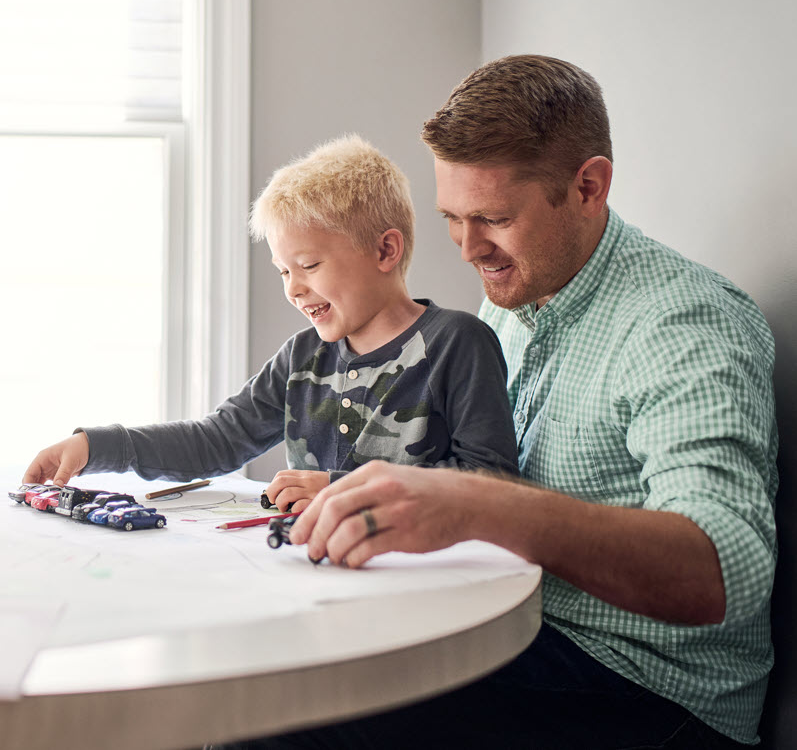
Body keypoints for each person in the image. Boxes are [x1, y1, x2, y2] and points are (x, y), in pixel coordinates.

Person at [238, 56, 778, 748]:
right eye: (452, 218)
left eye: (492, 218)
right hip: (513, 629)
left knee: (281, 712)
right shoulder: (509, 304)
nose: (467, 249)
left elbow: (722, 572)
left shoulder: (682, 322)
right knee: (273, 655)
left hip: (645, 690)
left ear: (587, 186)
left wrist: (475, 503)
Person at [23, 134, 519, 513]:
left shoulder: (458, 343)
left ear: (385, 250)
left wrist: (340, 489)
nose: (293, 289)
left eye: (309, 266)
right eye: (284, 271)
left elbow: (492, 482)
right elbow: (217, 439)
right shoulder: (301, 359)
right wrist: (98, 445)